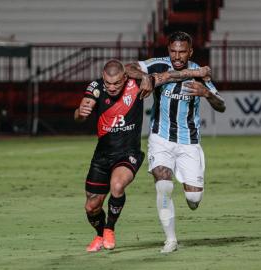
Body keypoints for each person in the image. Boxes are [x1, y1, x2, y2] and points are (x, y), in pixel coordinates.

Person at [75, 59, 213, 252]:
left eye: (116, 83)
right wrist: (80, 112)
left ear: (125, 77)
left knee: (117, 185)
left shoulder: (137, 84)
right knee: (91, 206)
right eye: (108, 83)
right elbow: (81, 111)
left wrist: (198, 72)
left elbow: (169, 75)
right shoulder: (96, 86)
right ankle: (99, 234)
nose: (112, 87)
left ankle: (109, 229)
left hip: (128, 153)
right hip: (102, 155)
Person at [126, 31, 226, 253]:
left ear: (190, 52)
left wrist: (207, 94)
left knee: (193, 198)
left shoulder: (199, 73)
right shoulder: (158, 65)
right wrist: (143, 76)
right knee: (163, 183)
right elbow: (128, 67)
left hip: (189, 143)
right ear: (168, 50)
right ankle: (170, 240)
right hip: (160, 138)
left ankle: (193, 189)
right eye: (173, 51)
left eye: (182, 52)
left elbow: (222, 105)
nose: (177, 56)